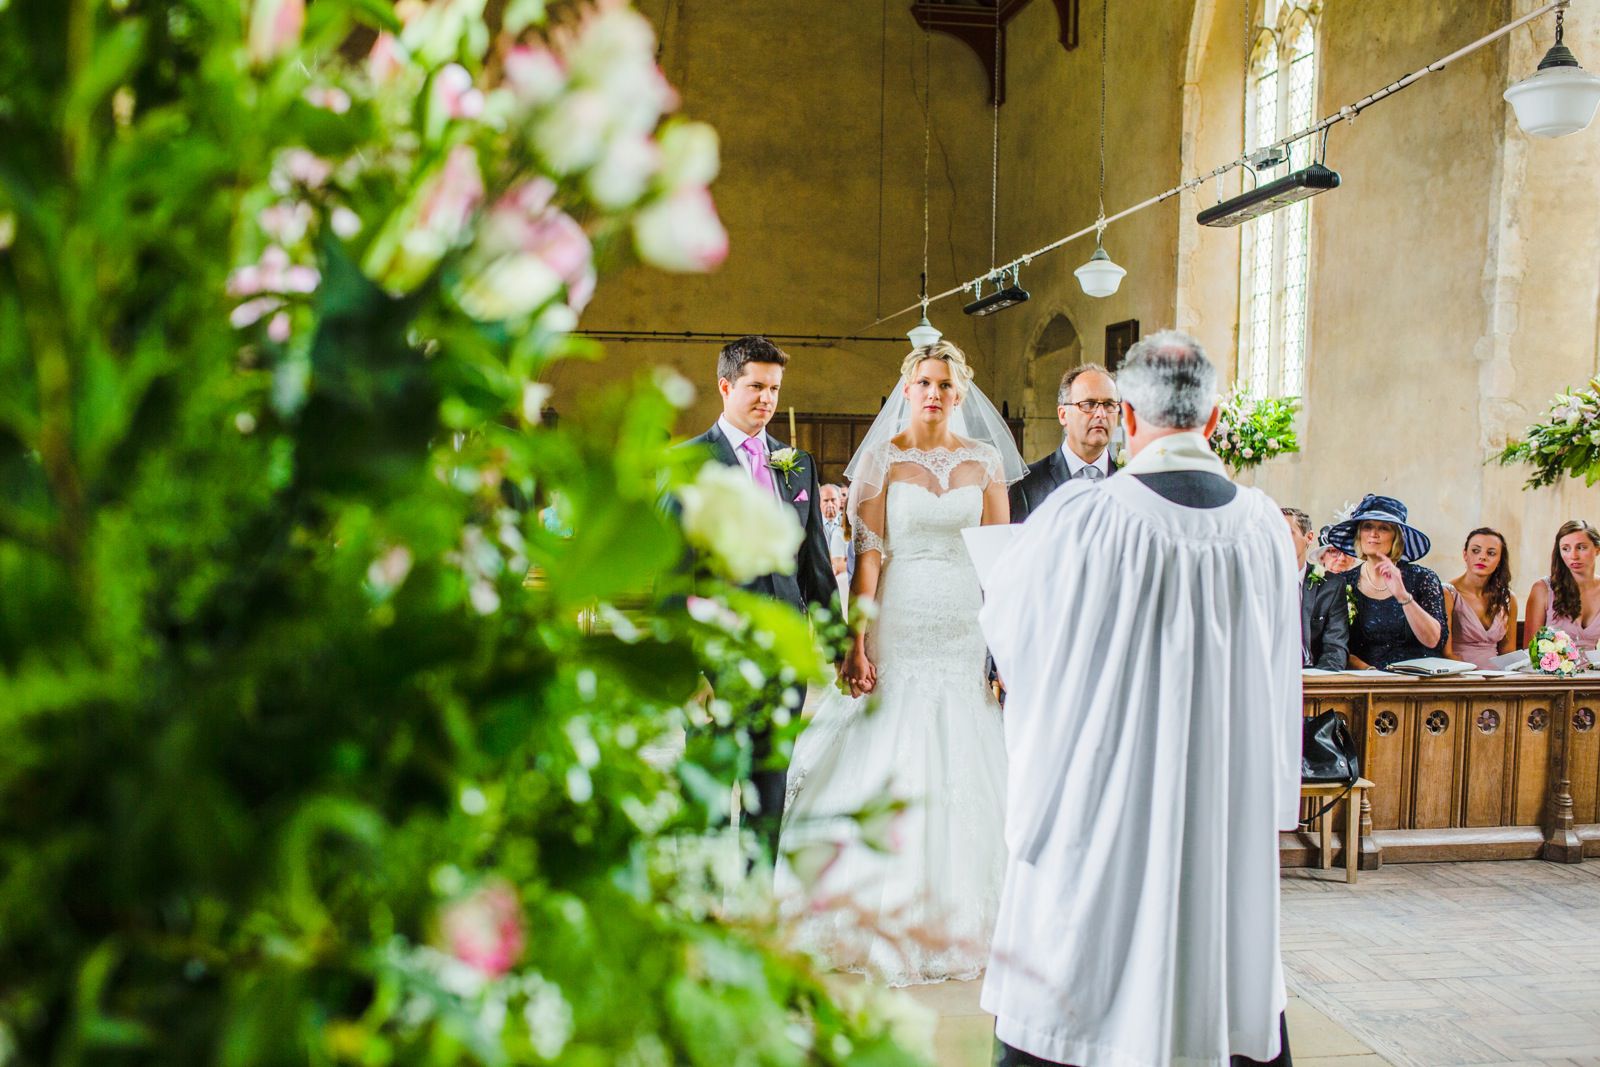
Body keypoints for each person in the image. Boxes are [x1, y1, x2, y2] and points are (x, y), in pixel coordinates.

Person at [979, 330, 1299, 1066]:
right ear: (1213, 421)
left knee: (1080, 970)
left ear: (1126, 417)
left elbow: (1016, 638)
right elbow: (1283, 674)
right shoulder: (1264, 529)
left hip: (1105, 804)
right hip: (1221, 813)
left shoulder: (1081, 518)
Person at [774, 340, 1025, 986]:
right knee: (896, 742)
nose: (934, 392)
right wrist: (857, 641)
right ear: (906, 390)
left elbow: (1001, 560)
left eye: (945, 382)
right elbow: (868, 560)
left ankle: (964, 914)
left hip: (964, 626)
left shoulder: (984, 461)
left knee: (965, 750)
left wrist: (1007, 643)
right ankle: (877, 908)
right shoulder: (881, 462)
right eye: (924, 382)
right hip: (902, 617)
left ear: (959, 391)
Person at [678, 336, 836, 864]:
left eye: (774, 389)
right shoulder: (687, 462)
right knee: (706, 799)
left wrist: (840, 647)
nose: (766, 398)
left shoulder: (796, 465)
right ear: (726, 386)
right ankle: (699, 920)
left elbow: (814, 567)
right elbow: (671, 574)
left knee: (768, 802)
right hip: (715, 662)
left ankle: (754, 917)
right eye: (756, 387)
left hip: (782, 663)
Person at [1325, 495, 1447, 669]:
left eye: (1383, 528)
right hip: (1367, 681)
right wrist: (1368, 672)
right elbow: (1337, 645)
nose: (1373, 534)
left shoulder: (1423, 578)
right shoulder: (1344, 583)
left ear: (1396, 537)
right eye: (1367, 527)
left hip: (1418, 681)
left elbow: (1434, 641)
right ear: (1359, 535)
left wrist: (1403, 596)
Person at [1008, 363, 1120, 522]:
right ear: (1062, 415)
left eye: (1109, 404)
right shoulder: (1027, 486)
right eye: (1088, 404)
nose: (1101, 414)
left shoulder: (1134, 480)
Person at [1284, 507, 1349, 670]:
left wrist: (1320, 685)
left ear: (1309, 537)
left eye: (1288, 532)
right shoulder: (1256, 583)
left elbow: (1335, 648)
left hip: (1314, 677)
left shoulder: (1331, 585)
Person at [1524, 519, 1600, 652]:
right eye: (1565, 549)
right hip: (1552, 672)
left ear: (1597, 549)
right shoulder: (1543, 589)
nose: (1573, 556)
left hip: (1593, 671)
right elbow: (1530, 650)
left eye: (1581, 547)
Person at [1446, 528, 1517, 668]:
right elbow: (1446, 653)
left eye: (1491, 553)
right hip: (1459, 676)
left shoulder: (1508, 598)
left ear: (1500, 560)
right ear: (1465, 554)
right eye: (1476, 551)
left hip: (1498, 678)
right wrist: (1475, 680)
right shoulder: (1447, 593)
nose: (1482, 557)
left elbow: (1508, 652)